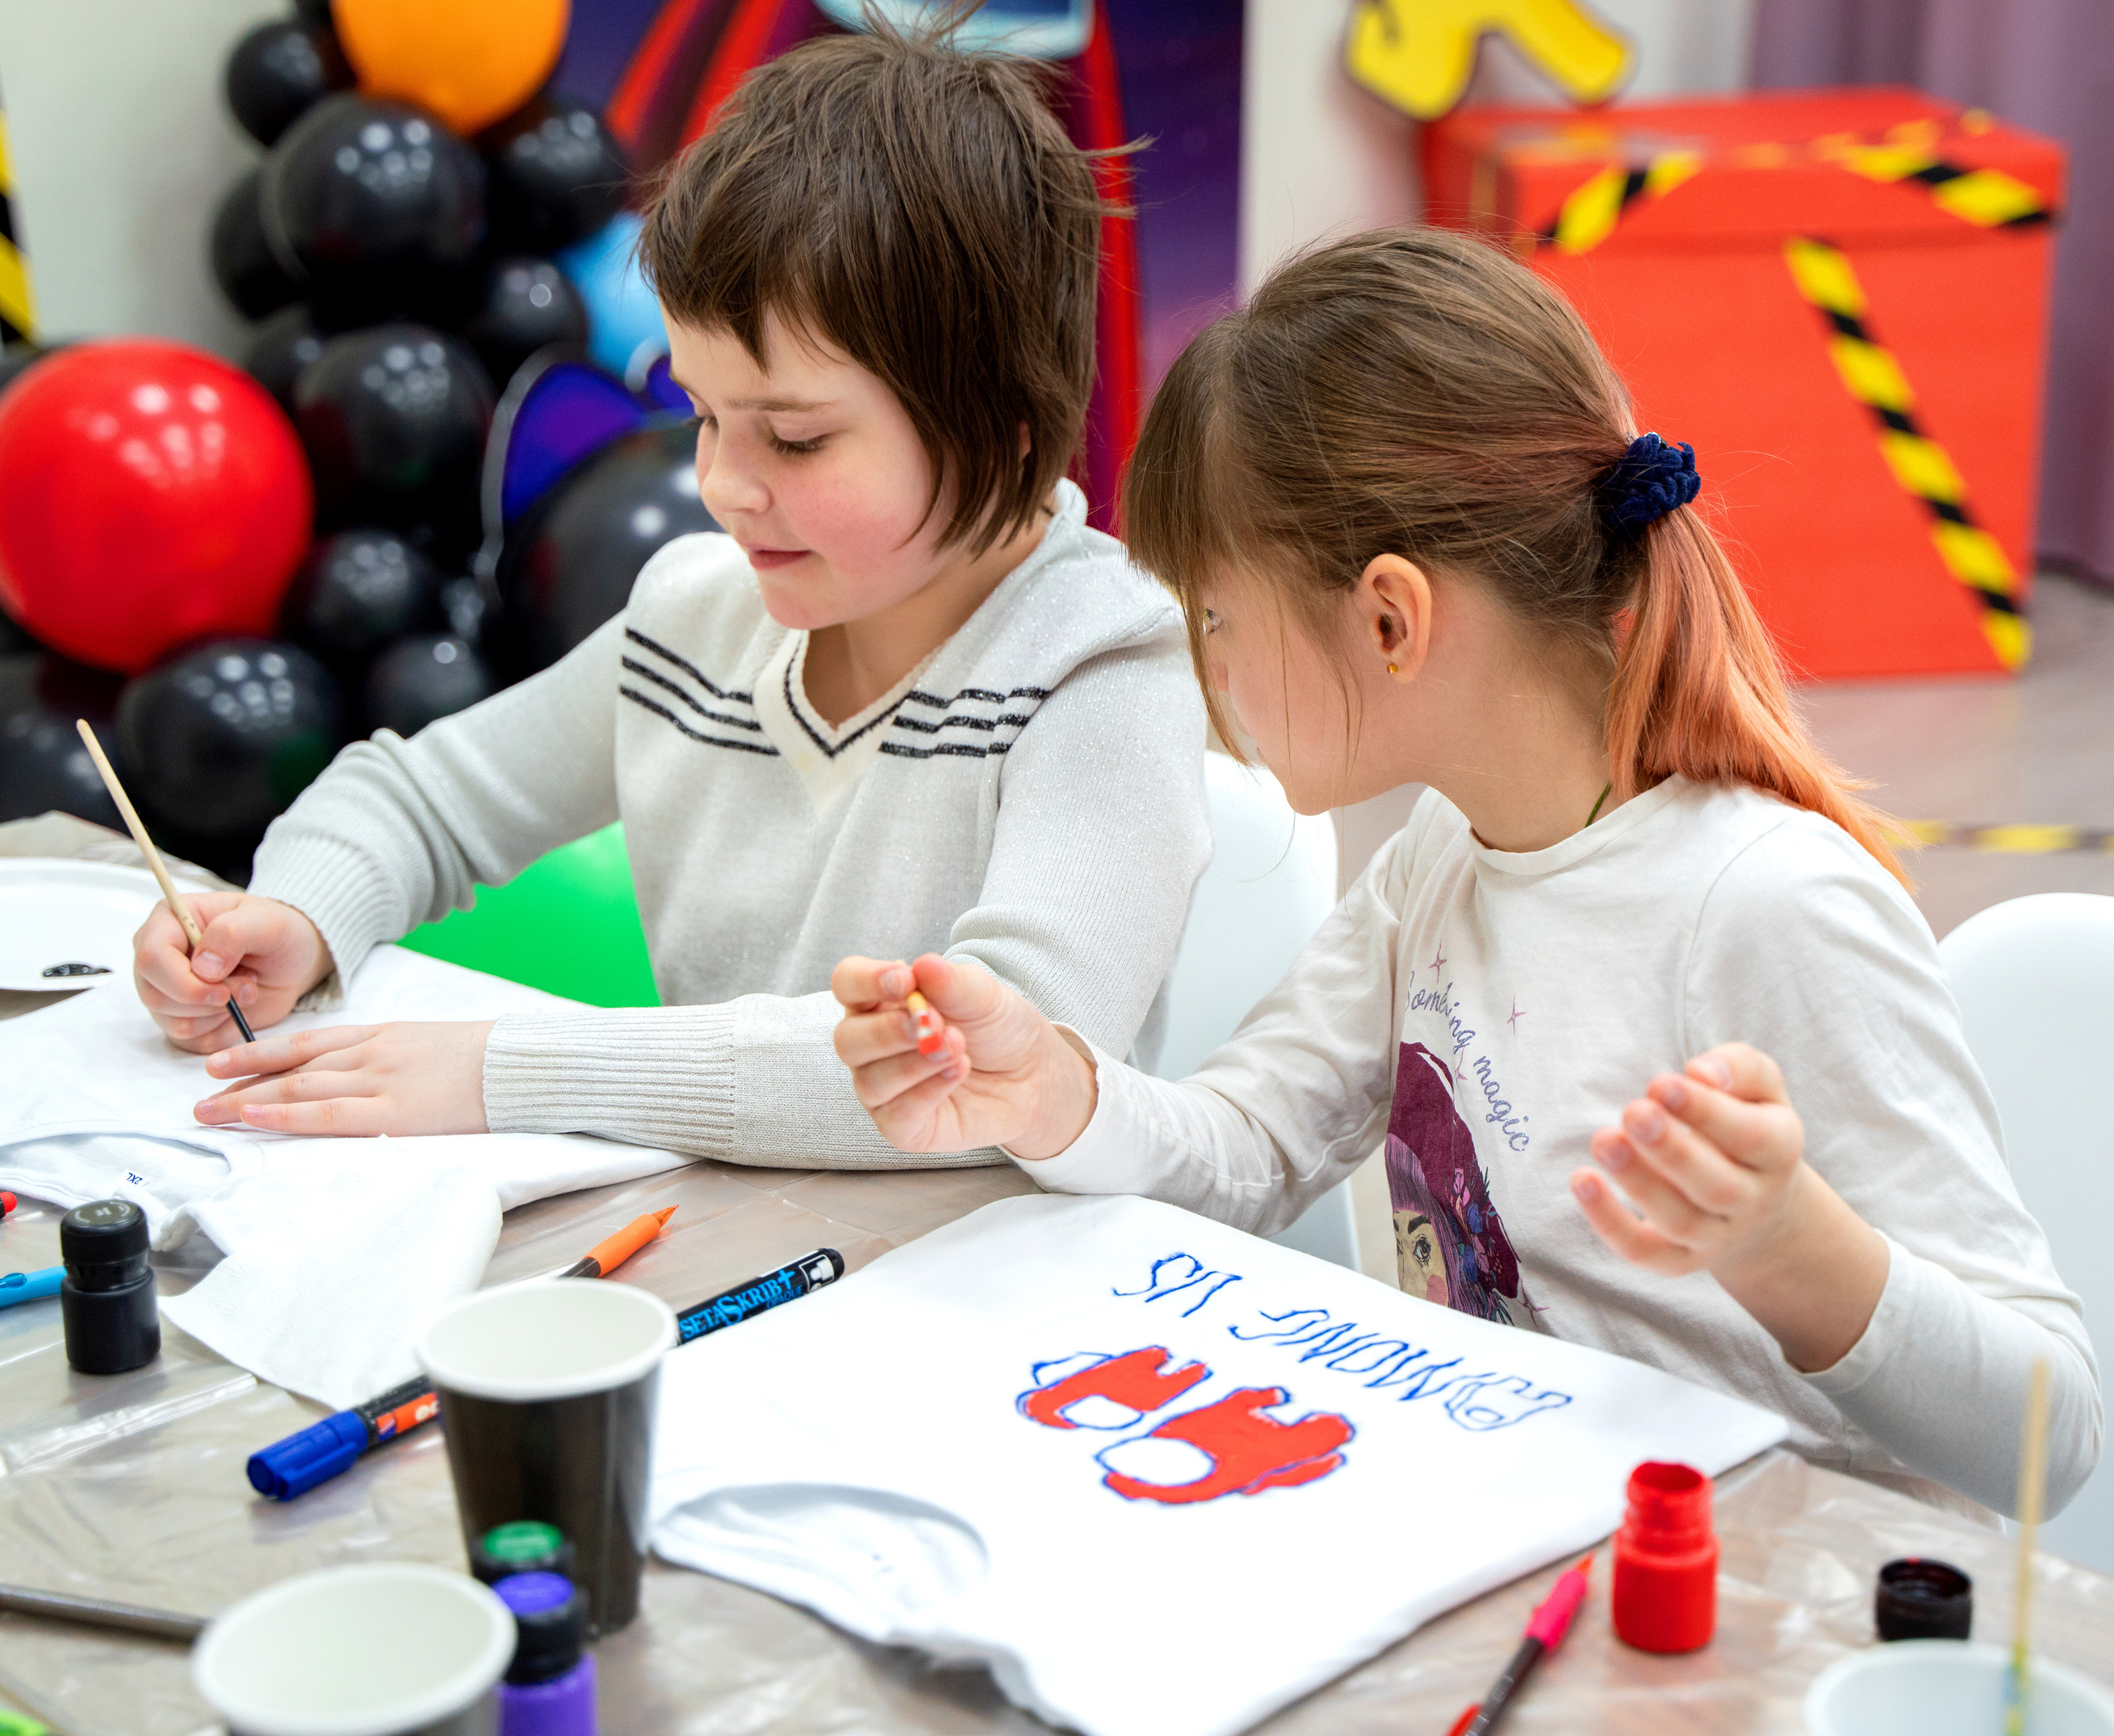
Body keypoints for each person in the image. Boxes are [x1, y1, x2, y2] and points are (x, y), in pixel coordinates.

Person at [830, 228, 2098, 1516]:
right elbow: (1250, 1143)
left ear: (1390, 620)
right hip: (1524, 1553)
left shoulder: (1768, 905)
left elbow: (2053, 1439)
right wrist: (1049, 1090)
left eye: (1215, 611)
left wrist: (1791, 1247)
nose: (1198, 660)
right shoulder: (1443, 856)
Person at [131, 23, 1209, 1168]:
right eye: (701, 414)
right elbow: (420, 796)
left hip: (1009, 1302)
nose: (723, 486)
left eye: (794, 438)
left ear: (1002, 424)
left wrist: (506, 1069)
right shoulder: (697, 614)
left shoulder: (1102, 671)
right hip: (740, 1245)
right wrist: (291, 915)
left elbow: (984, 1068)